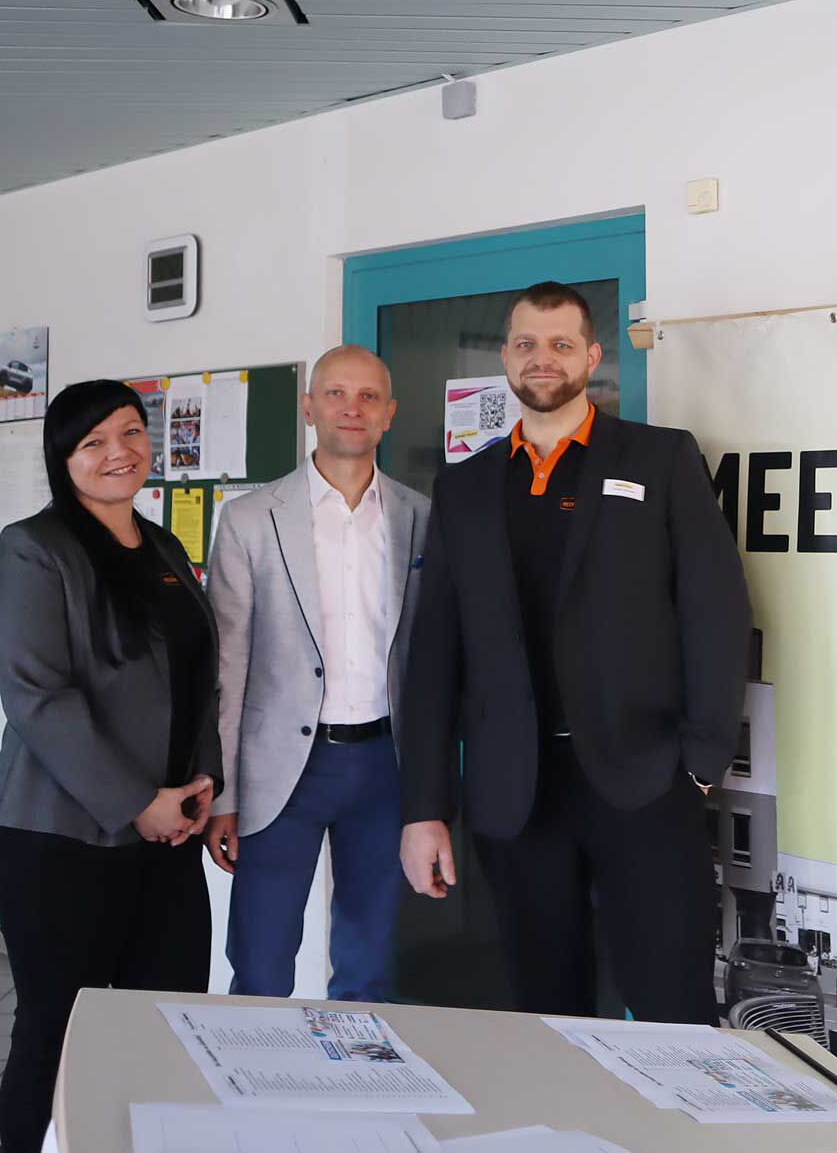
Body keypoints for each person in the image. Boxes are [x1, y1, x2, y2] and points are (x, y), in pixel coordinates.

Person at [398, 280, 751, 1022]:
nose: (543, 358)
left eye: (561, 344)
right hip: (516, 793)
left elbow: (716, 613)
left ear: (592, 357)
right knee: (545, 1010)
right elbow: (434, 656)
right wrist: (425, 807)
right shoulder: (463, 488)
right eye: (526, 343)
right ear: (505, 357)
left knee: (670, 1004)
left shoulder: (659, 459)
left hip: (646, 780)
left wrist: (701, 761)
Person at [0, 380, 222, 1153]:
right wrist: (137, 801)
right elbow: (37, 695)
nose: (119, 452)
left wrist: (204, 782)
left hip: (167, 839)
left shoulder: (164, 546)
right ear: (64, 457)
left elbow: (199, 678)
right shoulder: (35, 547)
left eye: (130, 432)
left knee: (167, 1023)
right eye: (93, 441)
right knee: (59, 1031)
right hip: (59, 841)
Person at [203, 346, 430, 999]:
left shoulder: (420, 516)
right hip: (279, 769)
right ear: (309, 407)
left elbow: (432, 658)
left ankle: (358, 1063)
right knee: (262, 959)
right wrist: (224, 795)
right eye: (335, 393)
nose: (351, 408)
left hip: (384, 764)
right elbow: (228, 665)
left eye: (367, 396)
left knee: (370, 960)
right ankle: (254, 1064)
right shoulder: (250, 518)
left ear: (389, 413)